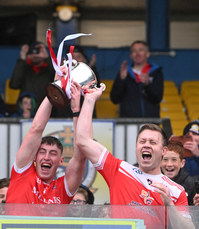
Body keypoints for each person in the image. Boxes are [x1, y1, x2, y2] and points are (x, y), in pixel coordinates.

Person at [76, 85, 194, 229]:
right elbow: (82, 140)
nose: (146, 145)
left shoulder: (176, 191)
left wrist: (169, 205)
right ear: (136, 146)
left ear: (164, 150)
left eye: (153, 142)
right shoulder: (119, 170)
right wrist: (89, 99)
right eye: (142, 141)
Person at [6, 66, 86, 205]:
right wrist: (54, 90)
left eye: (53, 153)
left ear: (61, 161)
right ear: (35, 157)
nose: (47, 157)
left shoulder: (64, 188)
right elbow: (36, 128)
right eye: (42, 152)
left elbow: (80, 156)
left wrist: (76, 110)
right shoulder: (22, 172)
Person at [110, 40, 164, 118]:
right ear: (131, 55)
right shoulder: (124, 72)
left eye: (141, 50)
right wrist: (121, 80)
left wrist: (147, 85)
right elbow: (114, 99)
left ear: (147, 54)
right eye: (134, 51)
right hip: (128, 125)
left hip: (150, 124)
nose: (138, 54)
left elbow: (157, 99)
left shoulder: (156, 72)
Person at [51, 45, 100, 118]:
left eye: (78, 57)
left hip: (85, 118)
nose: (74, 60)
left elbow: (95, 89)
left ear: (85, 60)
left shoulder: (91, 76)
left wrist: (91, 68)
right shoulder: (59, 76)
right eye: (71, 57)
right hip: (62, 119)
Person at [10, 41, 55, 110]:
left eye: (38, 51)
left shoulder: (49, 68)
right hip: (27, 111)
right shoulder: (24, 67)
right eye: (32, 52)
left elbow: (59, 80)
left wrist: (47, 57)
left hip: (47, 110)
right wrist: (22, 58)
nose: (35, 55)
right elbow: (14, 85)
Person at [161, 141, 196, 205]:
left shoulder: (190, 184)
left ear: (182, 163)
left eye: (174, 160)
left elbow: (192, 211)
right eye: (165, 159)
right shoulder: (153, 181)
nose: (169, 164)